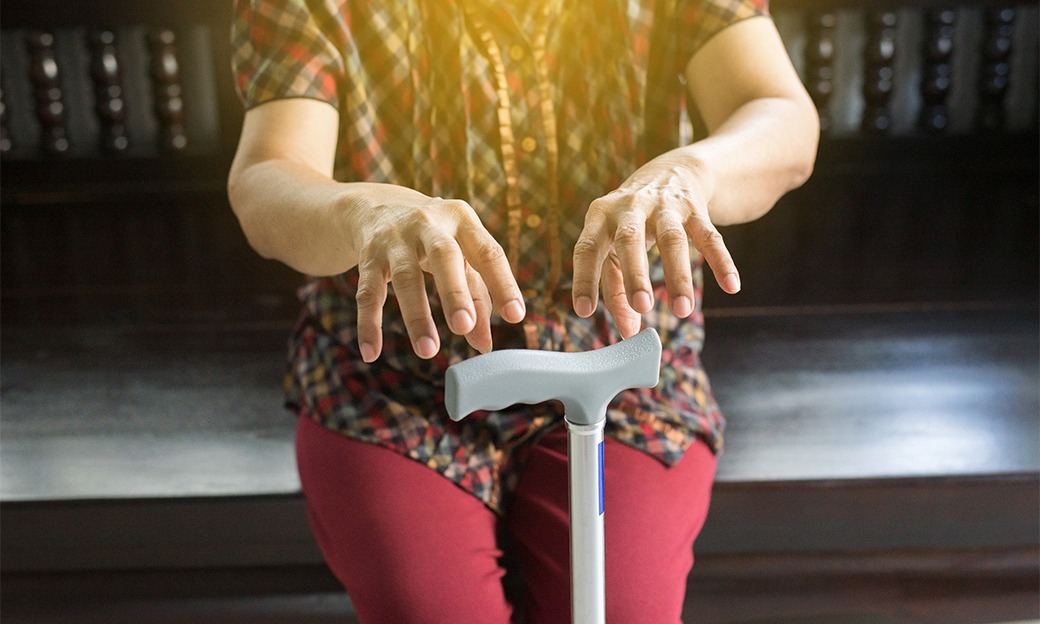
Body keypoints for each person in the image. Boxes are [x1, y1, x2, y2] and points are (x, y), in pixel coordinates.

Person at [227, 0, 818, 622]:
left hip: (619, 376)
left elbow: (779, 114)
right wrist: (362, 212)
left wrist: (694, 172)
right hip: (395, 381)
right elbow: (267, 175)